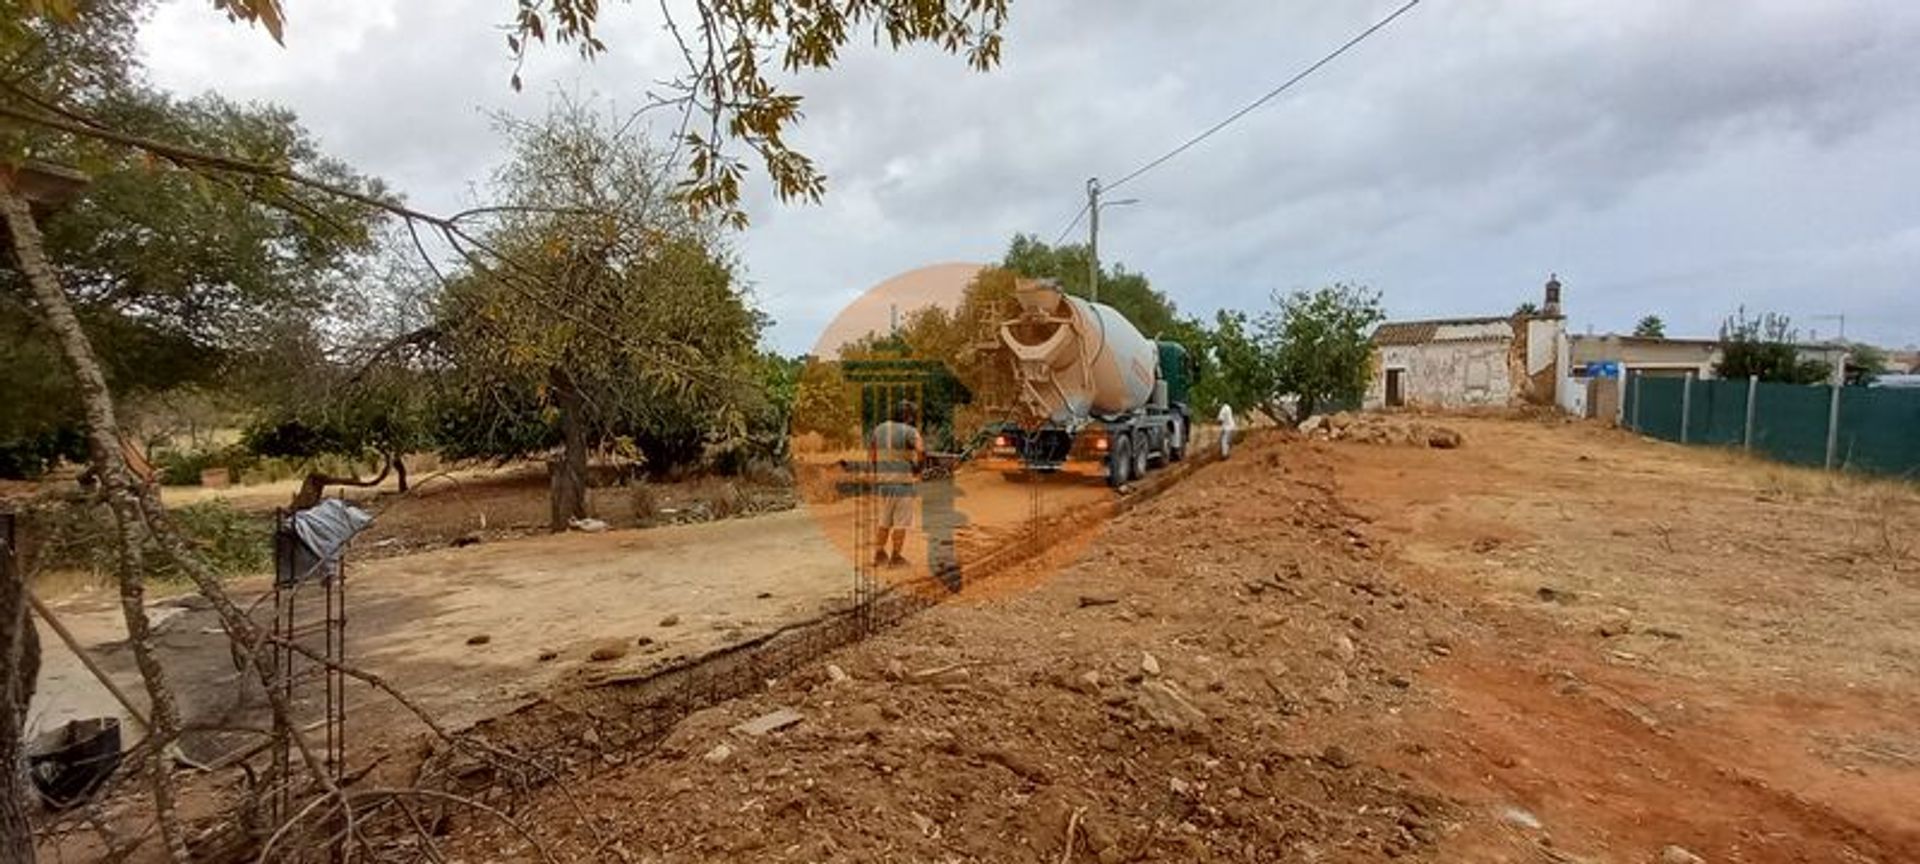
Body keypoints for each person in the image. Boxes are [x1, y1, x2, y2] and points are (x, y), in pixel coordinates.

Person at [867, 400, 924, 567]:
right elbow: (920, 449)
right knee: (901, 522)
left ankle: (879, 553)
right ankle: (896, 557)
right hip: (902, 482)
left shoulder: (880, 428)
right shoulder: (910, 431)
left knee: (884, 520)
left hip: (883, 482)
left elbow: (872, 453)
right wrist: (918, 468)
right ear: (908, 416)